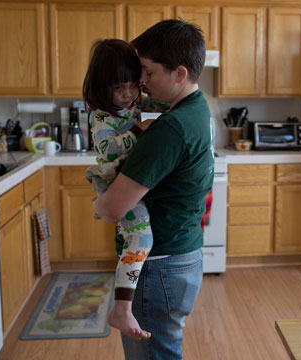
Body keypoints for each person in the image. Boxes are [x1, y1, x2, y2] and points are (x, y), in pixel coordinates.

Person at [92, 20, 213, 359]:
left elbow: (114, 208)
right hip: (183, 256)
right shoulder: (196, 108)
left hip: (158, 266)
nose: (141, 82)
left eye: (147, 72)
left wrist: (99, 205)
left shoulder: (168, 130)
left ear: (179, 73)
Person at [82, 38, 167, 340]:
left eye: (133, 86)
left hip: (130, 180)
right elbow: (106, 149)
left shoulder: (133, 102)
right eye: (119, 88)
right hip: (116, 180)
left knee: (136, 236)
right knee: (141, 239)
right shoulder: (101, 116)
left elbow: (164, 103)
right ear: (101, 86)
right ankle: (121, 308)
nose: (128, 94)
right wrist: (138, 130)